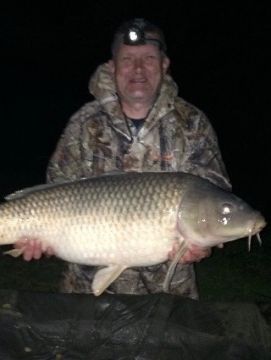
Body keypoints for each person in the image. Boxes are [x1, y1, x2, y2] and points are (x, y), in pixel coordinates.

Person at [15, 18, 231, 299]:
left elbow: (212, 200)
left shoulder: (192, 124)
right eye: (128, 59)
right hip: (85, 291)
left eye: (148, 58)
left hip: (169, 293)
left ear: (164, 65)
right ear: (112, 67)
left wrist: (203, 242)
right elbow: (56, 188)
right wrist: (38, 237)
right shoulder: (84, 123)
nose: (138, 69)